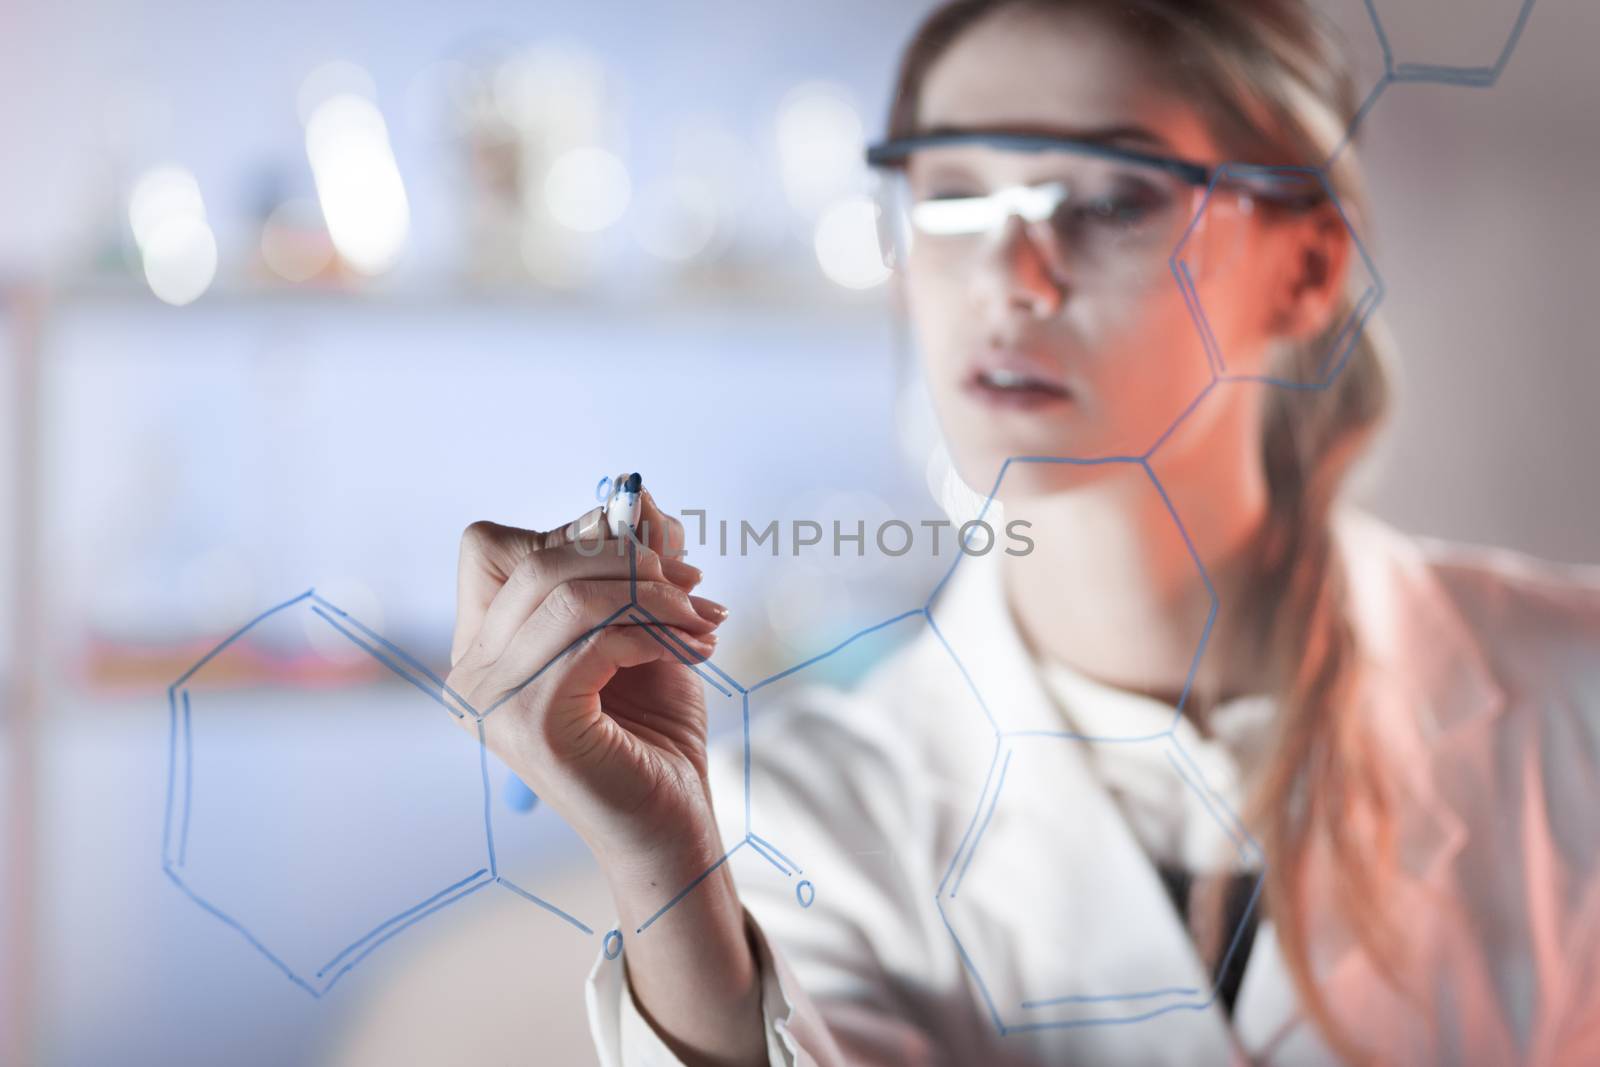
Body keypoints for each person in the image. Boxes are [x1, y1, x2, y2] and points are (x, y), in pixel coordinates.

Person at [441, 1, 1600, 1063]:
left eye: (1106, 199)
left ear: (1303, 268)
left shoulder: (1571, 688)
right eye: (952, 197)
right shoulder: (793, 813)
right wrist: (663, 873)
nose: (1009, 274)